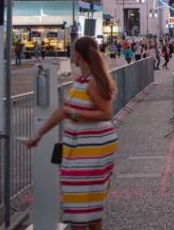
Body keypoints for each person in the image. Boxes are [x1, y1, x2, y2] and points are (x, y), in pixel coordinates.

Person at [27, 36, 118, 230]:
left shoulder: (92, 82)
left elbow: (106, 113)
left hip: (92, 149)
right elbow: (62, 111)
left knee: (84, 207)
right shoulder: (81, 81)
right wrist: (39, 134)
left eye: (72, 51)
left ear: (78, 55)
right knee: (83, 204)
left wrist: (75, 113)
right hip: (79, 147)